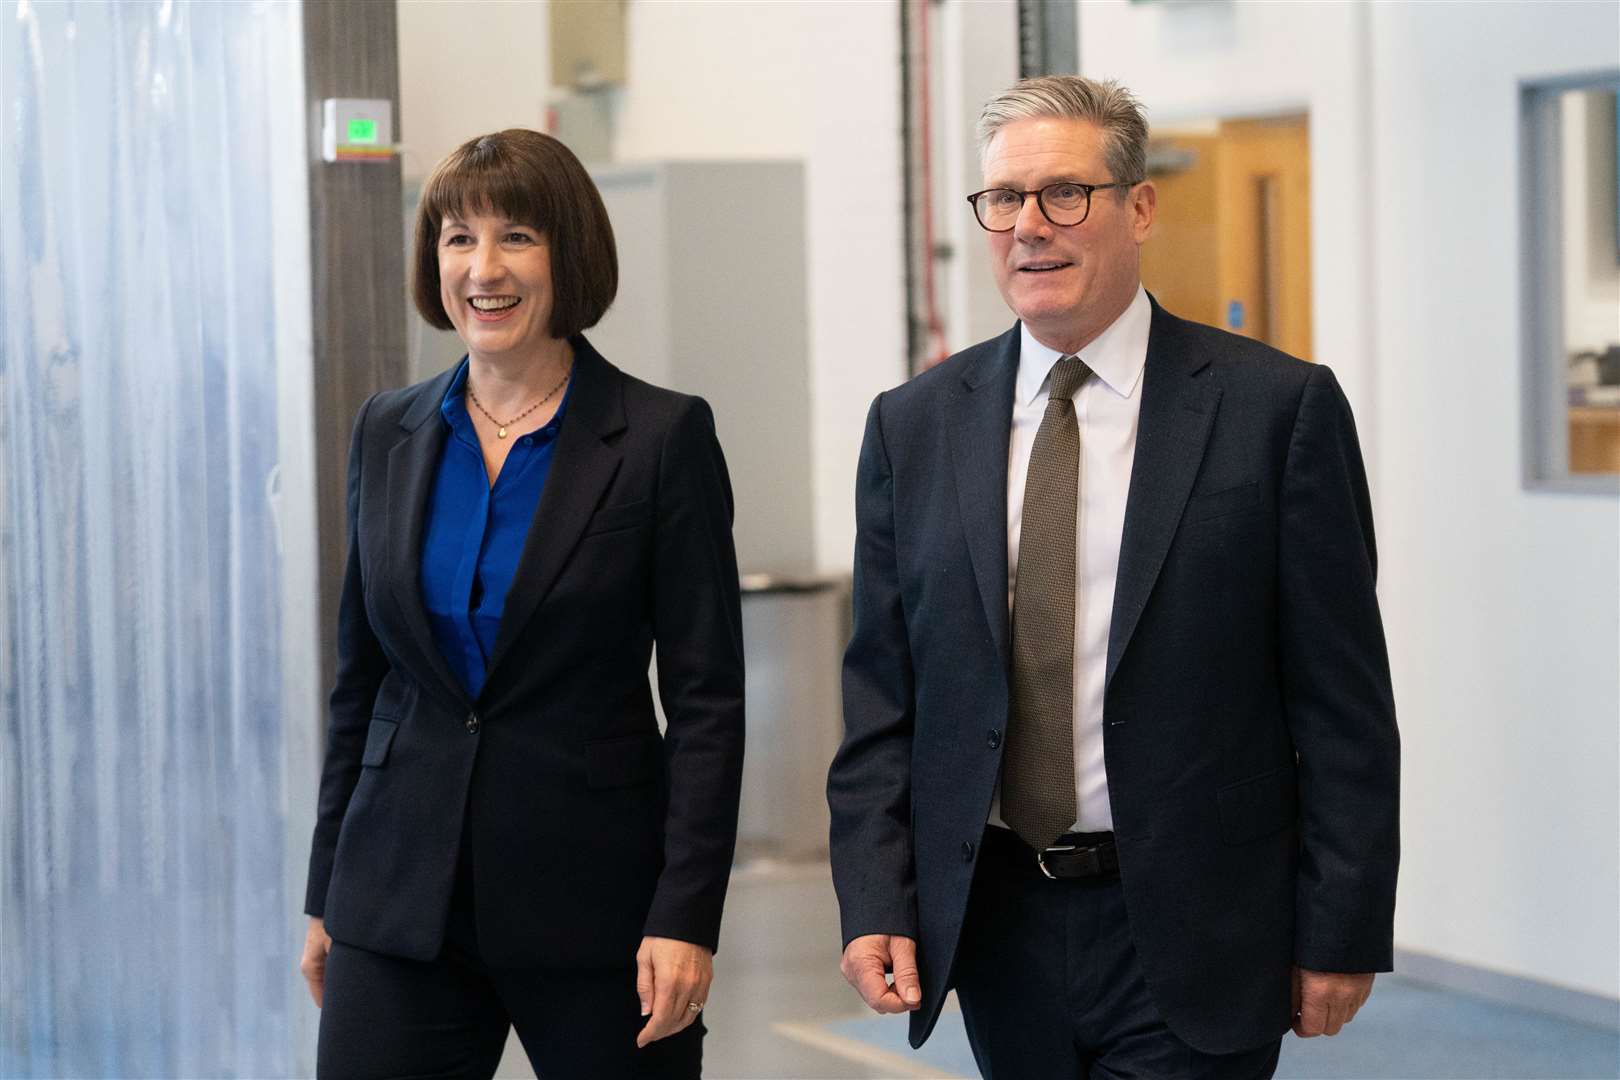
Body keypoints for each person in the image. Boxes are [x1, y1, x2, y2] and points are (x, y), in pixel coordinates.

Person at [827, 76, 1399, 1078]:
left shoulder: (1275, 412)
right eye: (1004, 199)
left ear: (1139, 207)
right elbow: (884, 693)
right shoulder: (916, 426)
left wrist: (1343, 924)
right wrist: (877, 896)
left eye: (1063, 194)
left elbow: (1343, 704)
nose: (1028, 228)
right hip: (998, 925)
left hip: (1194, 921)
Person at [297, 129, 745, 1079]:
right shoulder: (388, 430)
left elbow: (709, 705)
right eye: (459, 238)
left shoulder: (662, 439)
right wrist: (328, 889)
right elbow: (360, 682)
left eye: (517, 238)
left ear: (569, 255)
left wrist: (685, 915)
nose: (483, 269)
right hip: (398, 899)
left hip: (596, 911)